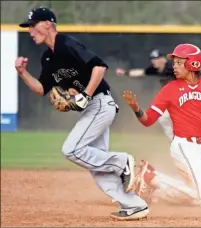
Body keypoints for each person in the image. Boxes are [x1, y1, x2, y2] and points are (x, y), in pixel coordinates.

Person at [15, 7, 149, 220]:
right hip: (91, 108)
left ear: (48, 24)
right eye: (28, 27)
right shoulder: (47, 59)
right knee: (95, 166)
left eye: (33, 25)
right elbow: (42, 88)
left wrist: (86, 94)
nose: (30, 30)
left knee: (71, 149)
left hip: (99, 103)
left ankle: (122, 162)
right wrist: (22, 73)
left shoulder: (67, 44)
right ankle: (134, 205)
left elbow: (99, 67)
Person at [122, 43, 201, 207]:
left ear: (193, 63)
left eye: (178, 63)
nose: (174, 66)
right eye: (174, 63)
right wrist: (136, 109)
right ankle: (151, 177)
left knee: (191, 192)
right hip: (184, 146)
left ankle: (157, 192)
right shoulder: (169, 89)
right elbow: (148, 120)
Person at [116, 49, 175, 141]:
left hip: (183, 98)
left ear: (163, 59)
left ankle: (195, 141)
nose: (153, 61)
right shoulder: (156, 69)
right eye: (152, 58)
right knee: (163, 118)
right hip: (171, 100)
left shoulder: (173, 68)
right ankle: (174, 142)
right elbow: (141, 72)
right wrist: (125, 72)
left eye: (156, 58)